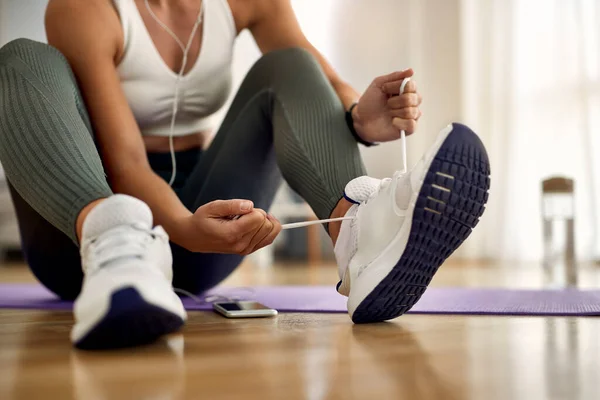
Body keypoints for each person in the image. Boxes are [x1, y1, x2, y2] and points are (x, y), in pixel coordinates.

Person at [0, 0, 490, 350]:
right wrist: (185, 229)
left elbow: (319, 76)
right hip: (84, 243)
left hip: (205, 226)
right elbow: (125, 163)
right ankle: (115, 238)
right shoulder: (83, 9)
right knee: (21, 59)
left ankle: (360, 236)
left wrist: (360, 116)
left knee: (289, 64)